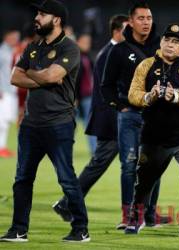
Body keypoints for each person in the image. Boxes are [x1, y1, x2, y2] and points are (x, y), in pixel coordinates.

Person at [0, 0, 90, 242]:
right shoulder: (33, 47)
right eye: (37, 13)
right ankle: (19, 229)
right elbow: (14, 77)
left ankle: (80, 229)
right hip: (30, 124)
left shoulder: (69, 48)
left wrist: (36, 74)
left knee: (66, 179)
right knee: (22, 179)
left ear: (56, 19)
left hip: (58, 123)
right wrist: (43, 77)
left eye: (42, 14)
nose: (37, 18)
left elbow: (53, 75)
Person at [125, 23, 179, 236]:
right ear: (161, 42)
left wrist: (175, 96)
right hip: (154, 136)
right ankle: (136, 218)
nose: (170, 45)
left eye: (176, 42)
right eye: (167, 40)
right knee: (144, 181)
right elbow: (133, 94)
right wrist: (148, 97)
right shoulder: (146, 65)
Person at [52, 14, 128, 223]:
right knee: (100, 164)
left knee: (140, 164)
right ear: (117, 31)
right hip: (113, 120)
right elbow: (108, 92)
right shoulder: (109, 53)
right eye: (128, 29)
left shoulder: (116, 52)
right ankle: (67, 202)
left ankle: (142, 213)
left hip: (120, 120)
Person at [101, 2, 167, 229]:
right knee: (129, 165)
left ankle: (149, 215)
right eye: (141, 18)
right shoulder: (118, 50)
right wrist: (120, 106)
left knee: (154, 166)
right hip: (129, 117)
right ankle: (127, 215)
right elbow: (106, 86)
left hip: (156, 118)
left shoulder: (162, 48)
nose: (146, 22)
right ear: (130, 22)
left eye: (149, 18)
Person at [75, 33, 97, 154]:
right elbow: (74, 80)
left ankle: (95, 151)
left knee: (90, 124)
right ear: (78, 42)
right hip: (78, 97)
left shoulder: (87, 57)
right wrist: (74, 97)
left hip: (88, 96)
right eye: (84, 42)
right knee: (67, 125)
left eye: (88, 42)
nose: (87, 44)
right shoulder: (75, 57)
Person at [0, 29, 20, 158]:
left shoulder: (13, 51)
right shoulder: (2, 52)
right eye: (13, 37)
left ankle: (2, 147)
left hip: (12, 91)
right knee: (1, 121)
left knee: (6, 121)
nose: (15, 40)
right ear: (7, 36)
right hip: (3, 91)